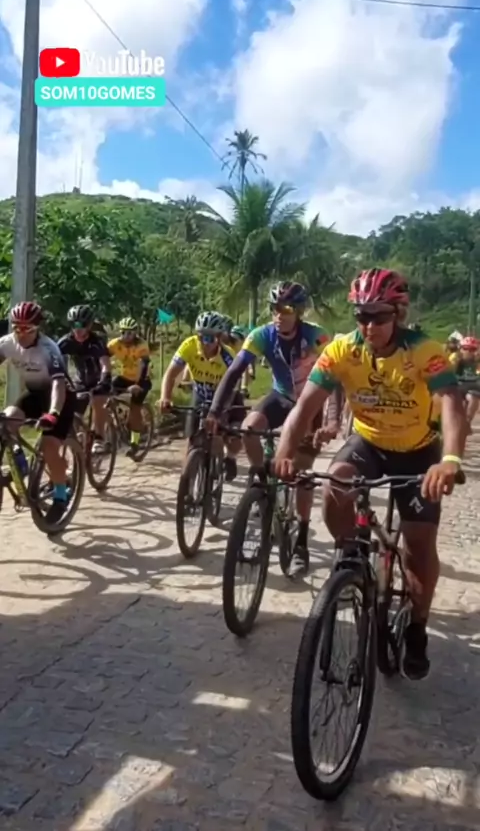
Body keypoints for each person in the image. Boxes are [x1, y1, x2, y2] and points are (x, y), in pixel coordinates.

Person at [274, 267, 465, 680]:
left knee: (417, 547)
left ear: (398, 314)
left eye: (378, 316)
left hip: (417, 451)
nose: (369, 326)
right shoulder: (343, 349)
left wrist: (449, 459)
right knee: (336, 482)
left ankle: (417, 627)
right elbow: (305, 406)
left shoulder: (424, 350)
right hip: (369, 443)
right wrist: (286, 452)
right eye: (361, 316)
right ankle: (351, 558)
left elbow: (451, 401)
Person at [207, 281, 330, 577]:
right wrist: (215, 412)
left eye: (285, 309)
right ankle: (261, 480)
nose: (278, 314)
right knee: (249, 428)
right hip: (280, 397)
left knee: (301, 473)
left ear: (299, 312)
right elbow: (234, 372)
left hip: (309, 404)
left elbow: (335, 376)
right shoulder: (262, 334)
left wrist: (331, 420)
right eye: (274, 308)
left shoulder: (316, 336)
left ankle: (301, 541)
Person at [0, 301, 77, 524]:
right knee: (7, 419)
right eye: (17, 327)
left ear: (37, 328)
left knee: (49, 446)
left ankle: (61, 496)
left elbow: (58, 385)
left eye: (27, 328)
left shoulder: (48, 348)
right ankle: (19, 463)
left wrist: (53, 413)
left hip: (60, 398)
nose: (21, 334)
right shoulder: (6, 344)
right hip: (35, 394)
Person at [158, 310, 242, 479]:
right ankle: (187, 480)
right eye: (201, 337)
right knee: (191, 440)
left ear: (219, 337)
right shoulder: (189, 345)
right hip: (201, 393)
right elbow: (171, 373)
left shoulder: (229, 357)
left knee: (230, 436)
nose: (204, 343)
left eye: (210, 338)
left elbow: (232, 389)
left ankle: (230, 458)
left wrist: (218, 413)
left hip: (225, 395)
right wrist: (165, 397)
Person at [58, 305, 112, 452]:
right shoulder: (65, 342)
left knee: (98, 400)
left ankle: (99, 438)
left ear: (89, 325)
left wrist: (105, 379)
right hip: (80, 381)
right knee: (74, 413)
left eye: (82, 325)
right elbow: (54, 363)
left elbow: (105, 363)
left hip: (99, 379)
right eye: (74, 325)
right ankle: (77, 446)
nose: (78, 329)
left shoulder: (97, 341)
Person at [108, 318, 151, 458]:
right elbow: (102, 358)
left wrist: (138, 384)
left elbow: (144, 365)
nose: (126, 336)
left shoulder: (141, 345)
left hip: (141, 379)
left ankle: (135, 442)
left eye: (130, 333)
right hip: (125, 377)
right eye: (123, 333)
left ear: (135, 333)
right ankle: (116, 417)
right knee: (106, 391)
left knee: (135, 408)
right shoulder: (115, 344)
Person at [449, 335, 480, 431]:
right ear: (460, 349)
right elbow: (449, 373)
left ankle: (467, 422)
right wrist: (456, 361)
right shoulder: (455, 358)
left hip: (472, 386)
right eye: (465, 348)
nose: (468, 352)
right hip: (458, 384)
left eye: (472, 349)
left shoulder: (477, 361)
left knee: (473, 397)